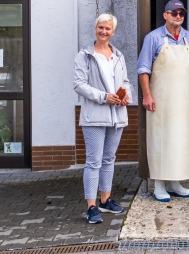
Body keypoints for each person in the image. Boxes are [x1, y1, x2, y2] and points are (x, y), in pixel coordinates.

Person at [137, 0, 189, 202]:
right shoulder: (153, 38)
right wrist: (147, 95)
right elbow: (143, 69)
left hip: (181, 100)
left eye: (181, 13)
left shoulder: (188, 38)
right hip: (160, 100)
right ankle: (158, 184)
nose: (178, 16)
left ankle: (176, 182)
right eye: (174, 13)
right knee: (160, 140)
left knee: (179, 140)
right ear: (165, 15)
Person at [73, 13, 133, 224]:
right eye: (101, 27)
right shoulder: (85, 55)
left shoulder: (118, 55)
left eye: (108, 29)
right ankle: (91, 206)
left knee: (109, 159)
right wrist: (104, 97)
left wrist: (127, 97)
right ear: (96, 28)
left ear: (113, 32)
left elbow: (125, 81)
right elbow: (79, 85)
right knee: (94, 162)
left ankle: (105, 200)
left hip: (117, 116)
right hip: (95, 117)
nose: (104, 31)